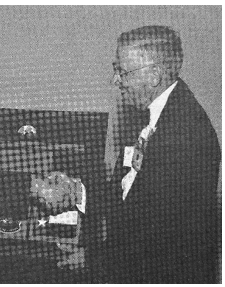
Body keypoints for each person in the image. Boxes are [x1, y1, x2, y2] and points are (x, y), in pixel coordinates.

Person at [101, 25, 220, 284]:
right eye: (115, 70)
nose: (115, 80)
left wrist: (91, 257)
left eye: (123, 72)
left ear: (154, 75)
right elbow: (126, 190)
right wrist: (79, 193)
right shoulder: (147, 112)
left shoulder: (186, 135)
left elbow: (144, 227)